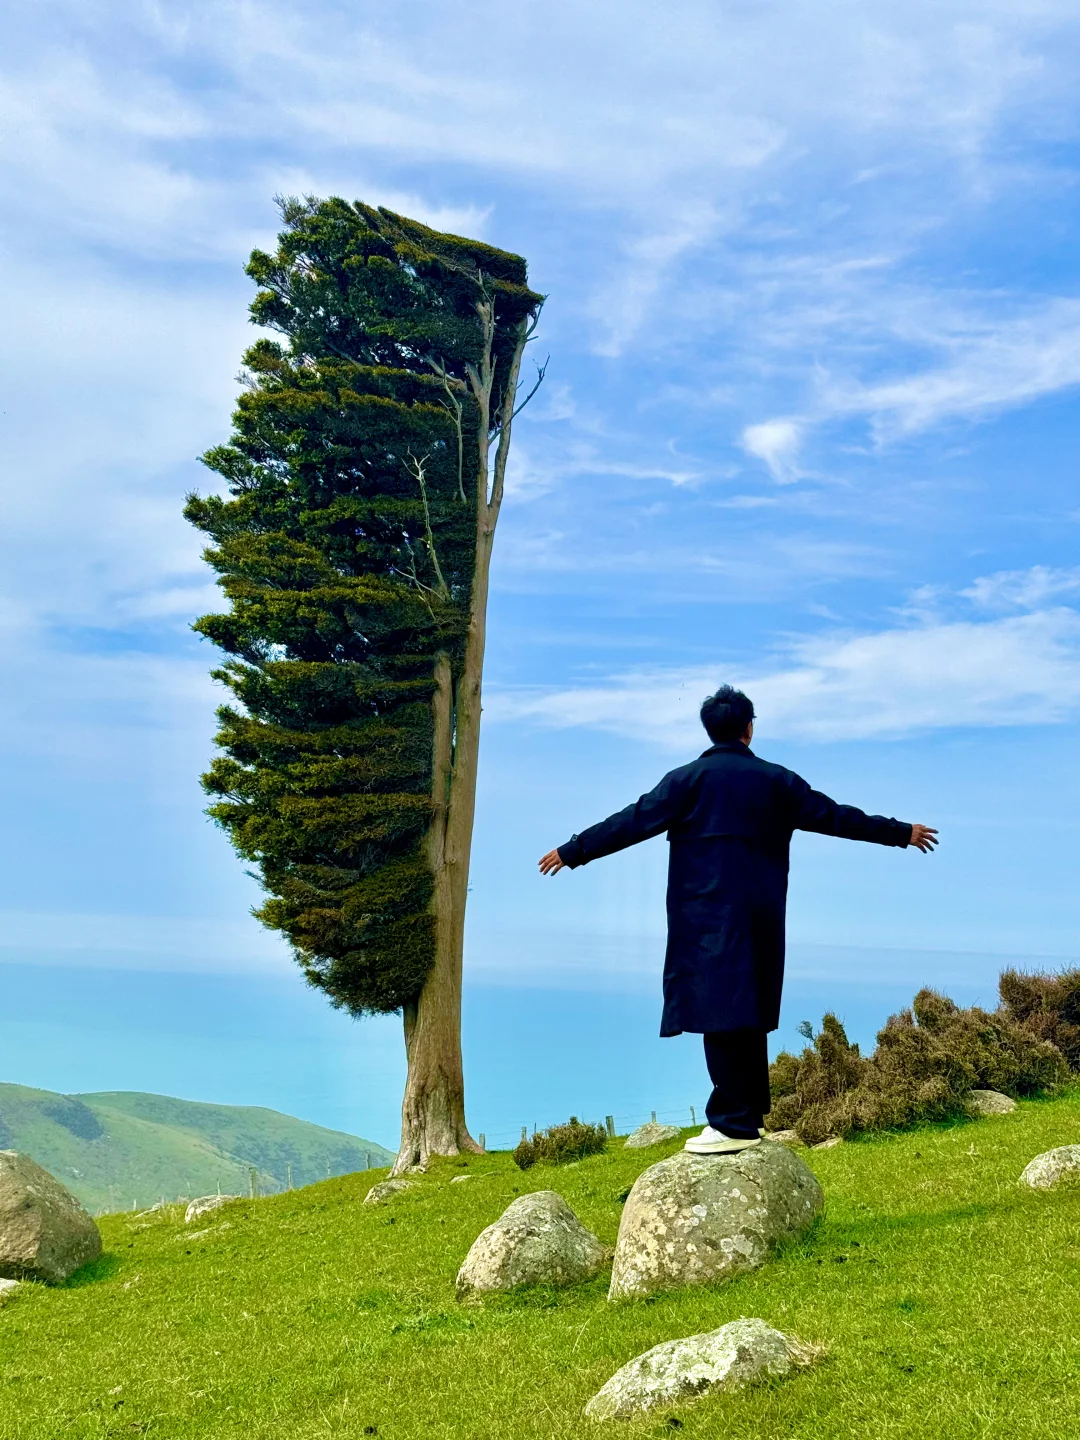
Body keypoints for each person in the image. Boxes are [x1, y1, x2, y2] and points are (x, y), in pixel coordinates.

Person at [538, 685, 937, 1156]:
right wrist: (900, 833)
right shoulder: (777, 781)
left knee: (719, 1014)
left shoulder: (686, 780)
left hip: (702, 916)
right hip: (760, 914)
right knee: (746, 1011)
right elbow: (836, 817)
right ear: (749, 728)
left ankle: (731, 1122)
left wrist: (573, 850)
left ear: (710, 729)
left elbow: (631, 821)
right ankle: (747, 1115)